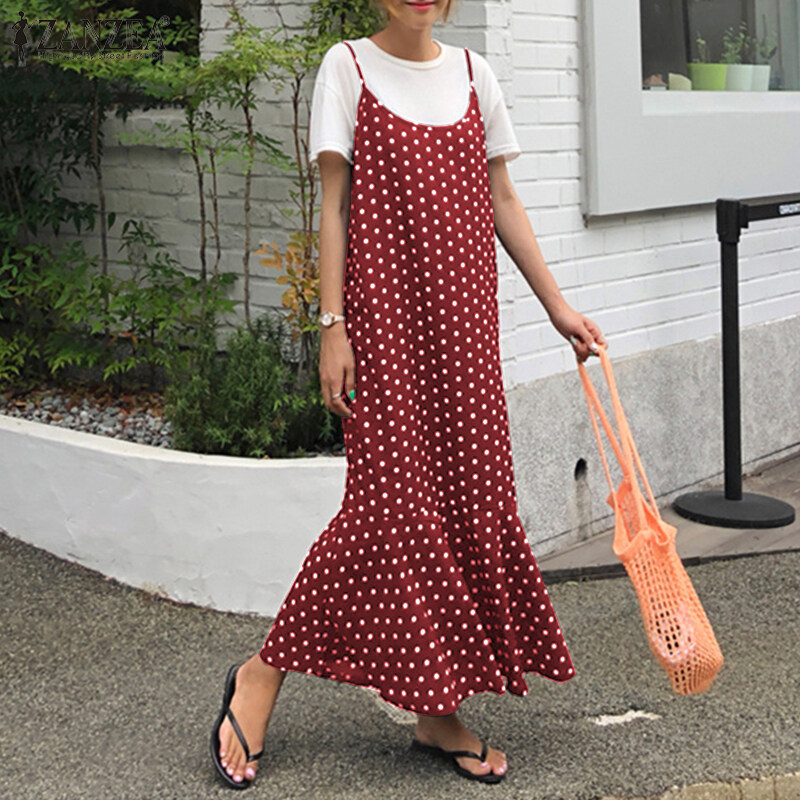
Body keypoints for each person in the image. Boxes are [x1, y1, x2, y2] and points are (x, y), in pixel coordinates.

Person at [210, 0, 607, 790]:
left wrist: (557, 306)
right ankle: (262, 671)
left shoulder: (475, 75)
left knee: (464, 502)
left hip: (465, 334)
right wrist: (333, 327)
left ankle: (435, 710)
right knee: (386, 511)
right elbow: (333, 206)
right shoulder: (348, 68)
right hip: (387, 332)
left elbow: (502, 200)